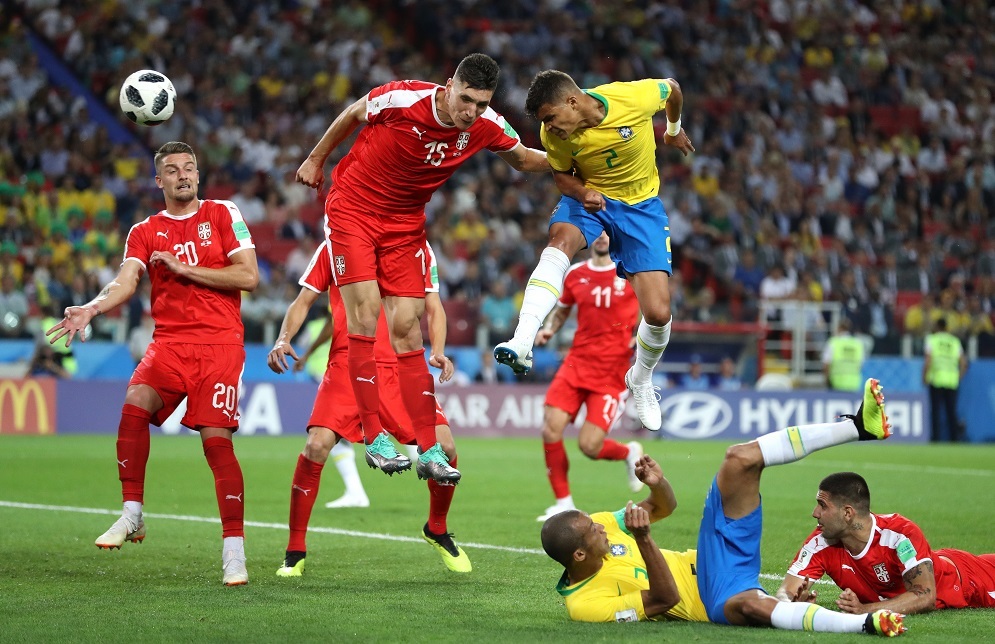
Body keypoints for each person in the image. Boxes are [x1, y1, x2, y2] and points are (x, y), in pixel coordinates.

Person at [296, 53, 549, 482]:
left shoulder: (486, 125)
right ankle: (374, 437)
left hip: (405, 223)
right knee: (365, 313)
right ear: (449, 84)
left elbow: (524, 159)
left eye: (481, 105)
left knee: (409, 329)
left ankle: (429, 449)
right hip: (354, 209)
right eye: (465, 99)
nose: (471, 112)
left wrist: (578, 161)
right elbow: (355, 112)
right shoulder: (403, 97)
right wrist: (316, 159)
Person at [46, 141, 259, 586]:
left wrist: (184, 269)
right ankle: (132, 514)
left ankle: (234, 552)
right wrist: (91, 307)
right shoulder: (144, 230)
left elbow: (249, 276)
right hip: (169, 344)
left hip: (219, 346)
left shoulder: (223, 214)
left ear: (198, 175)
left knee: (216, 444)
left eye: (189, 168)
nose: (183, 175)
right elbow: (126, 281)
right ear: (158, 180)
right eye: (172, 170)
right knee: (133, 404)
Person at [540, 378, 905, 636]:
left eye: (595, 523)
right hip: (712, 597)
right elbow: (665, 599)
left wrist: (658, 484)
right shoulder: (585, 606)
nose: (601, 526)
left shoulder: (603, 524)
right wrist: (645, 540)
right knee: (753, 608)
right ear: (578, 554)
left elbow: (664, 507)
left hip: (711, 555)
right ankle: (865, 624)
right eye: (593, 531)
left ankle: (859, 427)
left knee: (739, 459)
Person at [495, 70, 694, 432]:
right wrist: (581, 192)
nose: (548, 129)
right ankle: (523, 337)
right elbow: (560, 176)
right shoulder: (553, 134)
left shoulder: (631, 99)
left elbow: (674, 90)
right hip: (589, 197)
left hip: (640, 206)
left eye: (550, 118)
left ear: (572, 102)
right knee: (559, 241)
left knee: (659, 313)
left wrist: (674, 128)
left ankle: (641, 377)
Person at [268, 239, 471, 577]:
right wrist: (283, 337)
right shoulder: (337, 244)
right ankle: (295, 550)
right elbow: (303, 300)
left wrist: (438, 349)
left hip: (400, 368)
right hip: (348, 365)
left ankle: (436, 528)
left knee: (446, 448)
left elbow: (434, 304)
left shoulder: (417, 245)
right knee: (316, 445)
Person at [533, 232, 643, 522]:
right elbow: (562, 310)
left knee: (589, 446)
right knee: (550, 428)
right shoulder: (575, 273)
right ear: (589, 238)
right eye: (597, 231)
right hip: (576, 364)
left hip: (611, 372)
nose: (602, 237)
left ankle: (628, 452)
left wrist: (641, 337)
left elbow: (652, 305)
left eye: (607, 231)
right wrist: (549, 330)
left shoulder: (630, 270)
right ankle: (563, 502)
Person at [776, 472, 995, 613]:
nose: (815, 513)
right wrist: (793, 604)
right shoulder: (820, 542)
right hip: (937, 560)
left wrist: (865, 610)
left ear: (848, 513)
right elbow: (785, 592)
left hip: (973, 581)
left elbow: (926, 596)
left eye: (822, 505)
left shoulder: (899, 534)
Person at [922, 318, 967, 442]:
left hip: (936, 379)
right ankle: (954, 439)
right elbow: (963, 363)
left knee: (935, 411)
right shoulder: (954, 341)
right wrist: (958, 377)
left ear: (936, 327)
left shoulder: (932, 339)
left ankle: (935, 439)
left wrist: (924, 377)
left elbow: (928, 361)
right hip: (952, 381)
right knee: (951, 412)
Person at [822, 318, 866, 392]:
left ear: (839, 328)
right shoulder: (858, 344)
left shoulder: (833, 342)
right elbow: (861, 365)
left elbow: (826, 364)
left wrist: (826, 380)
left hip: (836, 383)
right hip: (854, 383)